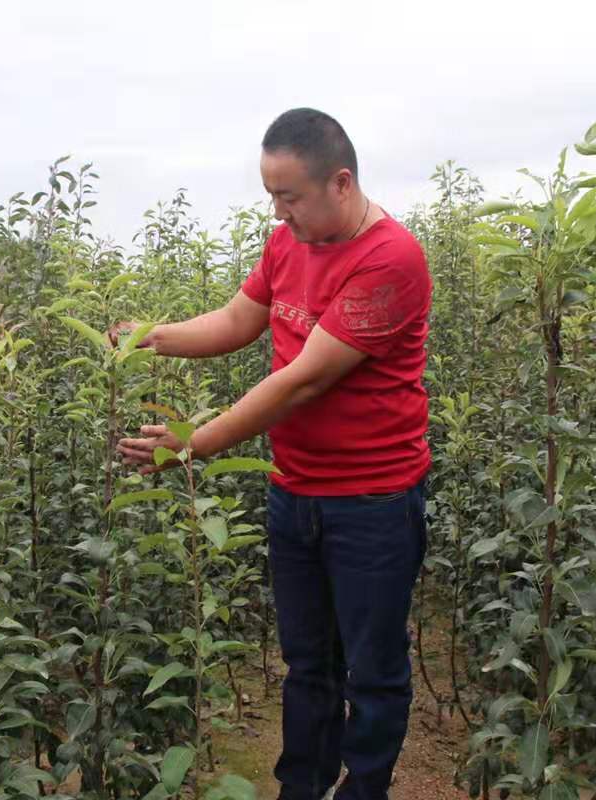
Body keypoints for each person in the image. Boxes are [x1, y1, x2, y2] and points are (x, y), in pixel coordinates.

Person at [116, 108, 432, 800]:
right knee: (307, 664)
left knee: (373, 672)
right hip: (294, 493)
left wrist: (192, 447)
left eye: (289, 196)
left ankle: (364, 790)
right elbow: (237, 320)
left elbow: (303, 379)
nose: (279, 212)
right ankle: (302, 788)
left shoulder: (390, 260)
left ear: (340, 183)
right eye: (271, 196)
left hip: (372, 502)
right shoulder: (287, 244)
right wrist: (147, 335)